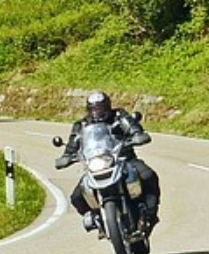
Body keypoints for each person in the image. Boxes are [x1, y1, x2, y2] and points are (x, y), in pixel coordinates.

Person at [55, 90, 161, 235]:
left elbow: (131, 126)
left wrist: (137, 134)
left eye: (101, 108)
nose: (97, 112)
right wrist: (67, 156)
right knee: (77, 197)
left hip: (124, 159)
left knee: (148, 176)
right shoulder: (82, 125)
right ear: (89, 110)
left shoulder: (118, 116)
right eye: (94, 109)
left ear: (108, 107)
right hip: (95, 165)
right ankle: (97, 218)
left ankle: (150, 213)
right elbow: (73, 143)